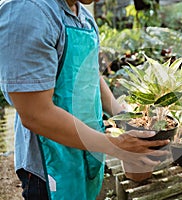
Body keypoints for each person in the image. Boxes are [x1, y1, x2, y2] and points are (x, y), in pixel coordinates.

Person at [0, 0, 169, 199]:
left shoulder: (83, 17)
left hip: (89, 152)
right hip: (50, 166)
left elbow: (89, 72)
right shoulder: (28, 11)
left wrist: (123, 116)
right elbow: (36, 114)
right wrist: (115, 146)